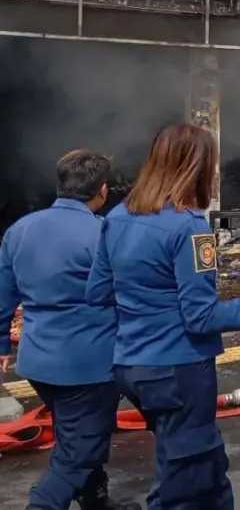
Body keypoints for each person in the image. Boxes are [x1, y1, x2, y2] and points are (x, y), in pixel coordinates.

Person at [86, 124, 240, 510]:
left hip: (131, 367)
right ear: (197, 167)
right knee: (181, 481)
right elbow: (200, 317)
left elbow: (96, 293)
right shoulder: (190, 228)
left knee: (207, 467)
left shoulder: (116, 218)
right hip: (178, 371)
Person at [0, 150, 139, 510]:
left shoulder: (20, 230)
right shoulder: (103, 232)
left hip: (36, 362)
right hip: (88, 364)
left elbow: (3, 294)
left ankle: (96, 501)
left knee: (76, 434)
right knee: (79, 449)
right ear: (103, 190)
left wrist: (2, 342)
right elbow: (127, 295)